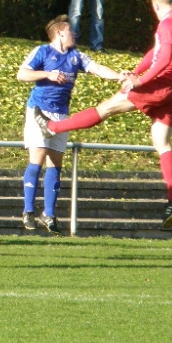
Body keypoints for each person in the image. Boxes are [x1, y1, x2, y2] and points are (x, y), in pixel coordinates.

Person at [34, 0, 172, 229]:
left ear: (157, 6)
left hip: (160, 84)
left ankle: (52, 127)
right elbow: (156, 52)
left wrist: (140, 80)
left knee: (106, 107)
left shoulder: (168, 23)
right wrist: (137, 70)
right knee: (161, 141)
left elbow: (164, 56)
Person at [17, 15, 124, 233]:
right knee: (37, 158)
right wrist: (48, 74)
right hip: (39, 110)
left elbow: (99, 69)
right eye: (71, 31)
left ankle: (49, 214)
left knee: (55, 163)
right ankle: (28, 211)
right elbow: (22, 74)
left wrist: (120, 77)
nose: (74, 34)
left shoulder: (76, 56)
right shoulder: (42, 52)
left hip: (61, 115)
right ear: (59, 33)